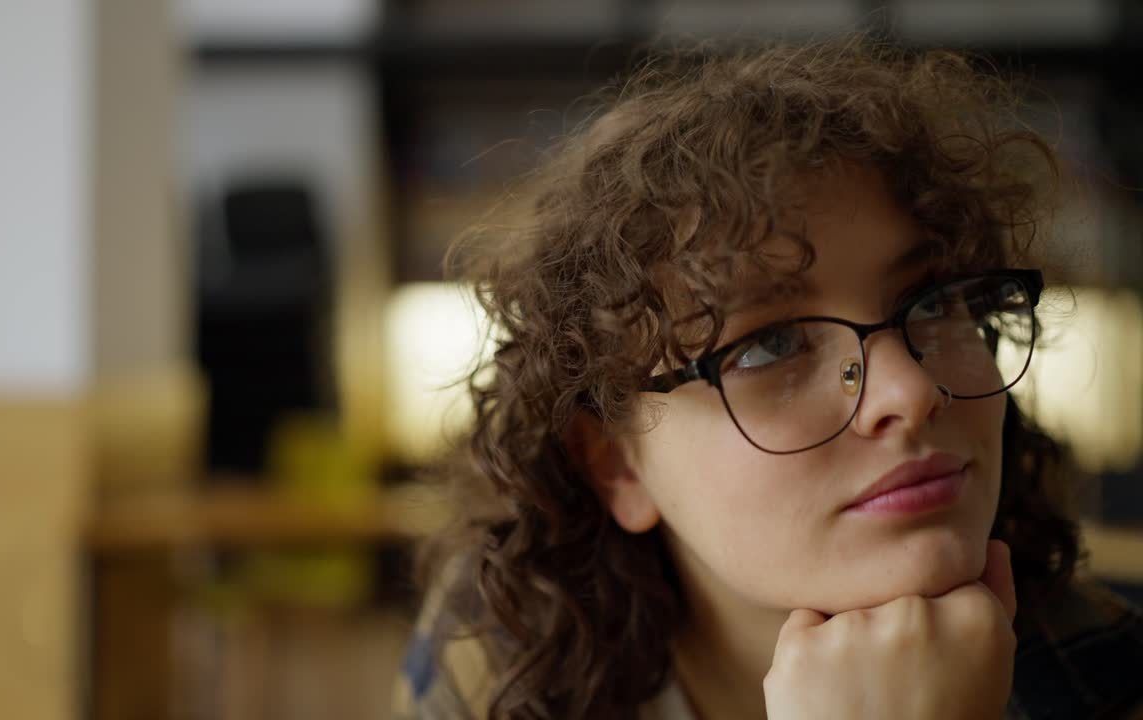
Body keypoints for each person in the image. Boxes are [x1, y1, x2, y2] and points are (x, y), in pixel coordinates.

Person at [391, 35, 1143, 719]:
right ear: (616, 463)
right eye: (769, 345)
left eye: (936, 300)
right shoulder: (503, 657)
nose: (909, 393)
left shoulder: (1106, 683)